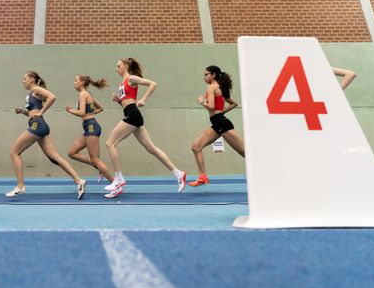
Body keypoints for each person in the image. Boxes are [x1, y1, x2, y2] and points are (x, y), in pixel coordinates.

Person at [104, 57, 187, 198]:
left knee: (110, 143)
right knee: (151, 148)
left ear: (125, 66)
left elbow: (153, 84)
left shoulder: (131, 78)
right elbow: (126, 101)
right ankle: (178, 173)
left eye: (118, 66)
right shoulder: (122, 83)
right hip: (130, 114)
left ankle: (118, 179)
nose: (116, 69)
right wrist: (118, 101)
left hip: (133, 114)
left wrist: (143, 99)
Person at [6, 71, 86, 199]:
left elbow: (52, 97)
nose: (23, 81)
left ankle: (20, 186)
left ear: (32, 79)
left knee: (14, 152)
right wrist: (22, 111)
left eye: (25, 78)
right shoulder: (33, 93)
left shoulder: (36, 89)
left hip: (37, 125)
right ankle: (79, 181)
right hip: (40, 125)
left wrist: (42, 111)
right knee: (55, 157)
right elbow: (33, 112)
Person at [189, 65, 245, 187]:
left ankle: (265, 172)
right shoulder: (218, 87)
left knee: (245, 153)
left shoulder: (211, 87)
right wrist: (222, 111)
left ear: (213, 75)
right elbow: (234, 104)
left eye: (206, 74)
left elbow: (212, 107)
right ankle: (203, 177)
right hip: (217, 123)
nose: (204, 77)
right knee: (196, 147)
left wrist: (201, 101)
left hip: (222, 124)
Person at [65, 74, 114, 185]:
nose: (74, 83)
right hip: (88, 126)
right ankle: (99, 167)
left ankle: (114, 183)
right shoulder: (87, 94)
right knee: (71, 153)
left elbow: (81, 112)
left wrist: (70, 110)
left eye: (76, 80)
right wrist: (90, 114)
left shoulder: (83, 94)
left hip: (91, 126)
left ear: (82, 82)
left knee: (95, 159)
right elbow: (100, 108)